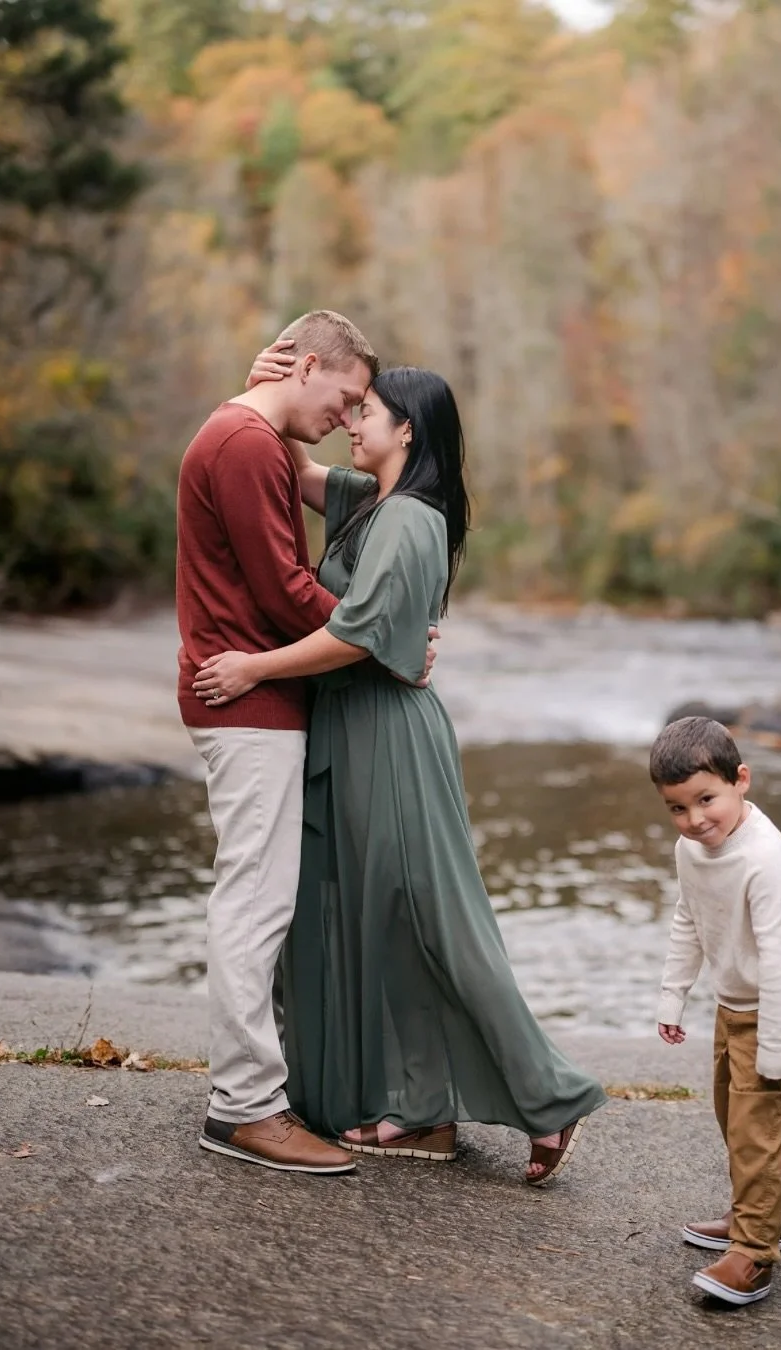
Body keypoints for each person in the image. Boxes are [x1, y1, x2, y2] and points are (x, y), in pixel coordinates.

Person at [193, 363, 607, 1184]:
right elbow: (285, 461)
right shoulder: (367, 501)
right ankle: (422, 1112)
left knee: (430, 918)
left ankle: (549, 1102)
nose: (352, 418)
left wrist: (253, 669)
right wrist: (261, 385)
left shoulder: (413, 519)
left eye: (368, 410)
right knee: (374, 926)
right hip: (347, 733)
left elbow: (356, 634)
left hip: (389, 738)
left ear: (408, 429)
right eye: (349, 404)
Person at [176, 309, 381, 1175]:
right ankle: (246, 1107)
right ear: (304, 367)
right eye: (348, 394)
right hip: (245, 708)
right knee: (254, 907)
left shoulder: (248, 434)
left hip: (252, 701)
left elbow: (292, 550)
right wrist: (384, 634)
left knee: (257, 900)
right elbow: (285, 588)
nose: (348, 415)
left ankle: (253, 1093)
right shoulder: (246, 444)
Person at [650, 716, 781, 1306]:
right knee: (735, 1118)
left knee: (756, 1130)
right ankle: (755, 1216)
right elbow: (689, 920)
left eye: (707, 799)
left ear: (741, 780)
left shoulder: (767, 861)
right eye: (678, 808)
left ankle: (753, 1254)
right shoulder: (691, 849)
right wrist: (674, 995)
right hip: (735, 1005)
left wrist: (776, 1048)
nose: (696, 820)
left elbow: (778, 962)